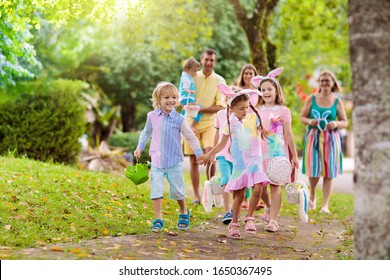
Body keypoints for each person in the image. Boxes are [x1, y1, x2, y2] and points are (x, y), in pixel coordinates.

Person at [200, 84, 269, 239]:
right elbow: (221, 144)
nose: (245, 111)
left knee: (258, 188)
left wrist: (271, 132)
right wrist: (208, 155)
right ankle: (235, 222)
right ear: (231, 109)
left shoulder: (252, 118)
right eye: (241, 108)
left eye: (246, 107)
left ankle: (250, 217)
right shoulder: (229, 124)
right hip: (240, 164)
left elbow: (263, 131)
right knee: (239, 195)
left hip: (255, 161)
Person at [134, 82, 205, 232]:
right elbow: (146, 133)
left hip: (174, 162)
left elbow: (191, 137)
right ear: (158, 99)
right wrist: (140, 147)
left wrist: (199, 153)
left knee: (178, 191)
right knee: (156, 190)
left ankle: (184, 211)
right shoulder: (152, 116)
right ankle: (158, 219)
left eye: (174, 97)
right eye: (167, 97)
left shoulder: (179, 119)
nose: (171, 100)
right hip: (157, 161)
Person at [251, 67, 300, 232]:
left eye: (269, 89)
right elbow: (253, 131)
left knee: (275, 186)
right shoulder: (257, 110)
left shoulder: (283, 111)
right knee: (259, 186)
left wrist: (294, 156)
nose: (266, 92)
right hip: (260, 152)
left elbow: (289, 135)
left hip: (277, 153)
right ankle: (269, 205)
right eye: (263, 90)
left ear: (276, 91)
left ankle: (273, 220)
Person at [300, 70, 348, 214]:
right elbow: (302, 117)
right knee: (313, 170)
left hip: (331, 139)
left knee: (329, 172)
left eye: (328, 80)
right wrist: (310, 121)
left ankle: (325, 205)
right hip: (314, 137)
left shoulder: (338, 101)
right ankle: (313, 194)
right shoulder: (311, 99)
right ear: (319, 83)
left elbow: (345, 122)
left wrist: (336, 123)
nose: (325, 83)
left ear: (333, 83)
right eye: (322, 80)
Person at [183, 48, 226, 204]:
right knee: (194, 160)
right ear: (201, 60)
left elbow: (221, 106)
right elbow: (184, 96)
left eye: (212, 60)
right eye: (206, 59)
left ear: (215, 62)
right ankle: (196, 196)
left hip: (210, 124)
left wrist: (200, 109)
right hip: (190, 123)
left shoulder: (220, 81)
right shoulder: (192, 77)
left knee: (210, 158)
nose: (209, 62)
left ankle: (211, 194)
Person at [235, 63, 265, 211]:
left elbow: (260, 110)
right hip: (241, 127)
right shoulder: (238, 92)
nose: (248, 76)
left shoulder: (258, 93)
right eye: (246, 73)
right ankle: (245, 198)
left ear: (255, 76)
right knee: (244, 161)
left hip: (254, 128)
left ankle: (255, 196)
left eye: (251, 74)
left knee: (255, 162)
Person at [179, 57, 202, 133]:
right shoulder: (186, 78)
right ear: (187, 70)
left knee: (184, 111)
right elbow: (186, 87)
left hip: (184, 98)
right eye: (194, 71)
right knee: (200, 108)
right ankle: (193, 125)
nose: (195, 73)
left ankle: (181, 124)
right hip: (187, 97)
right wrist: (190, 91)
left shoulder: (186, 76)